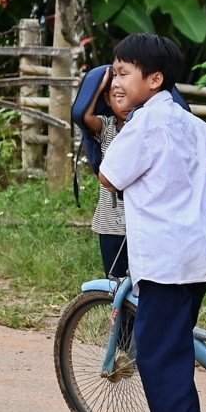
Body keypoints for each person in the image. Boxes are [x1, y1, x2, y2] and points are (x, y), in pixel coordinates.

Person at [97, 34, 206, 412]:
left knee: (158, 357)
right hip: (196, 256)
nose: (116, 81)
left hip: (162, 258)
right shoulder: (185, 120)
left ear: (155, 79)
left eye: (124, 73)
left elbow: (109, 177)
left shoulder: (145, 125)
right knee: (176, 348)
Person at [80, 68, 129, 278]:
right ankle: (119, 313)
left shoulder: (142, 127)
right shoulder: (107, 127)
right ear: (108, 101)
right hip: (109, 223)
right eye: (117, 97)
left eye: (128, 97)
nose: (124, 104)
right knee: (113, 279)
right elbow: (85, 117)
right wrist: (100, 88)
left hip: (138, 223)